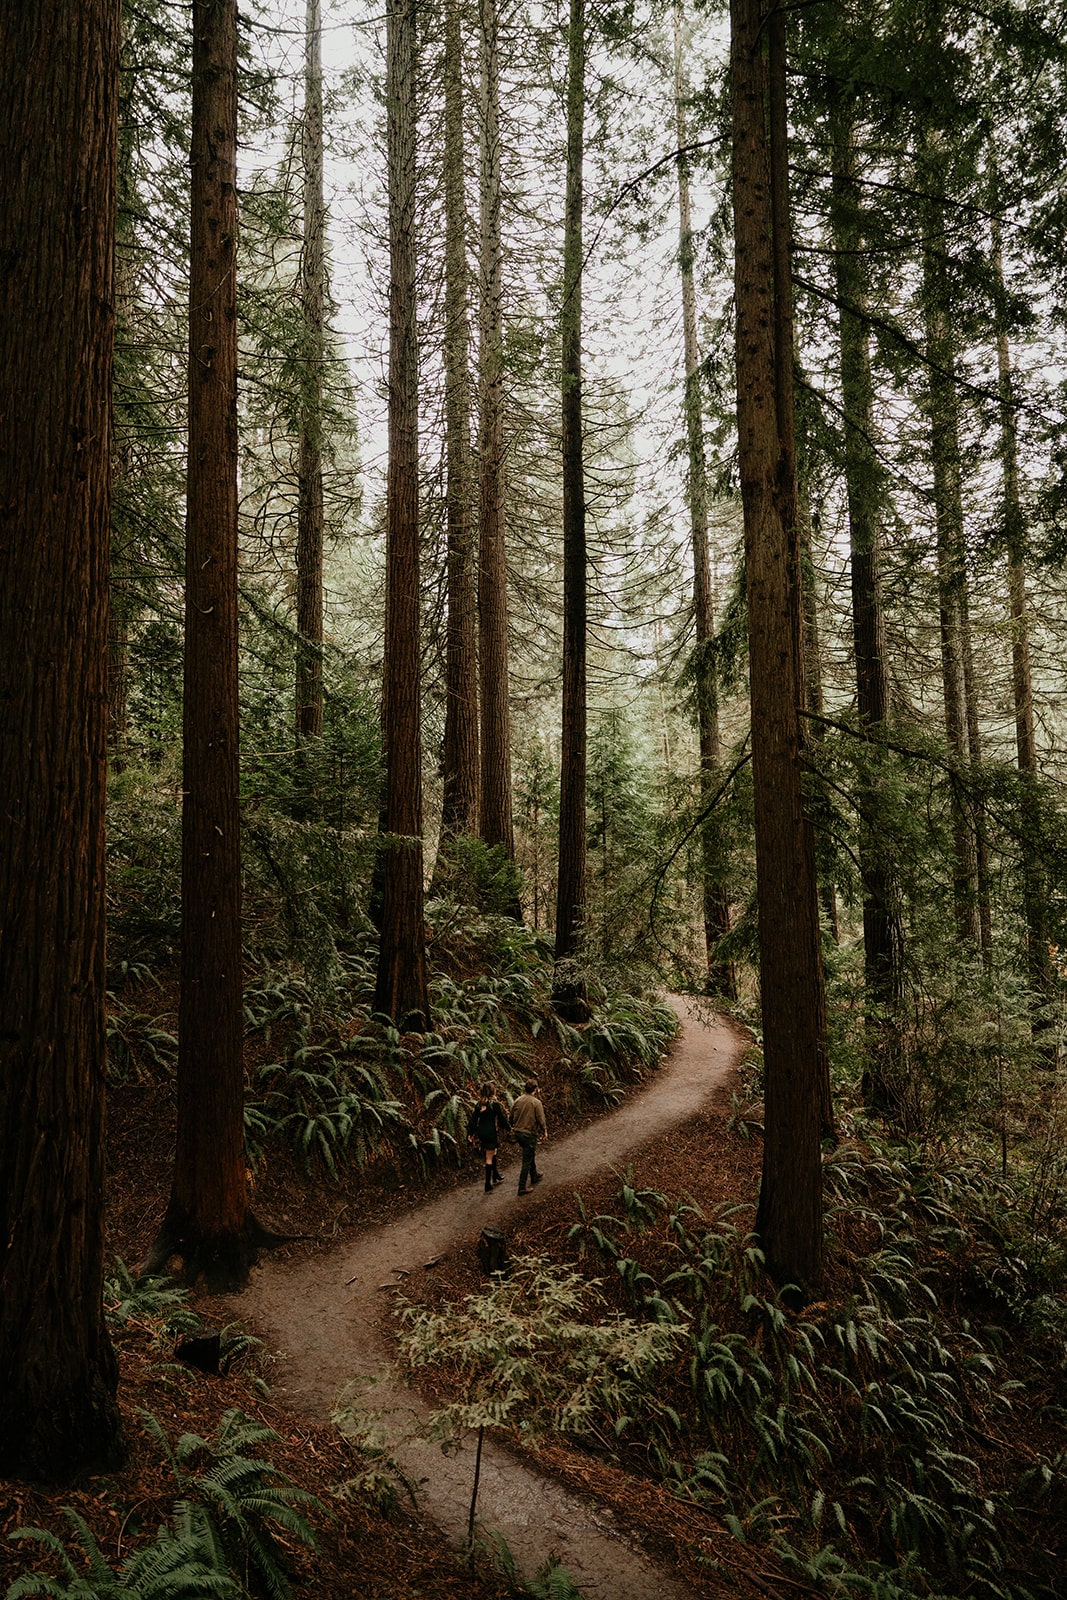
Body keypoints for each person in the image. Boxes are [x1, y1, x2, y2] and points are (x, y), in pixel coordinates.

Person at [466, 1083, 508, 1193]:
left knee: (493, 1151)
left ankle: (496, 1175)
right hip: (490, 1132)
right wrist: (508, 1127)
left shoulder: (478, 1105)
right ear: (492, 1092)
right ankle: (487, 1184)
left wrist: (470, 1133)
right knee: (489, 1157)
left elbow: (473, 1120)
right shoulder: (495, 1104)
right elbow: (502, 1118)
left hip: (482, 1132)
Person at [509, 1078, 547, 1195]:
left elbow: (511, 1116)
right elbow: (541, 1119)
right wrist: (544, 1130)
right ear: (535, 1089)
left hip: (518, 1133)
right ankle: (522, 1187)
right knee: (527, 1159)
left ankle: (534, 1175)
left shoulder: (518, 1100)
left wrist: (512, 1126)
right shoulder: (536, 1102)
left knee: (530, 1153)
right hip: (528, 1134)